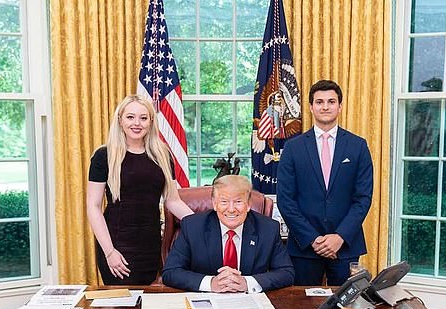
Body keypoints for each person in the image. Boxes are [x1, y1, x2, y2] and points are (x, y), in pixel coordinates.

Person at [87, 95, 193, 285]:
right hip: (116, 244)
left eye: (143, 118)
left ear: (151, 121)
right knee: (120, 305)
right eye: (130, 117)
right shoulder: (104, 155)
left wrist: (201, 224)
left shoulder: (162, 155)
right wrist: (109, 251)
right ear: (120, 119)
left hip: (150, 244)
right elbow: (93, 206)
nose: (137, 123)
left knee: (146, 304)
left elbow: (172, 201)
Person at [276, 79, 373, 286]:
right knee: (302, 308)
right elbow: (285, 200)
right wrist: (313, 239)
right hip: (304, 246)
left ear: (340, 106)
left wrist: (339, 237)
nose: (325, 106)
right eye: (319, 102)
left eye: (331, 101)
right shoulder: (293, 148)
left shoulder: (358, 146)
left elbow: (362, 199)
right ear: (311, 107)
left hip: (345, 245)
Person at [162, 175, 294, 292]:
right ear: (214, 204)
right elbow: (171, 272)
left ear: (248, 204)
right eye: (224, 201)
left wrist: (247, 283)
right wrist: (211, 283)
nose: (231, 209)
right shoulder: (192, 226)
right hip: (205, 303)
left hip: (250, 303)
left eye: (238, 202)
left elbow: (286, 273)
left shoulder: (268, 229)